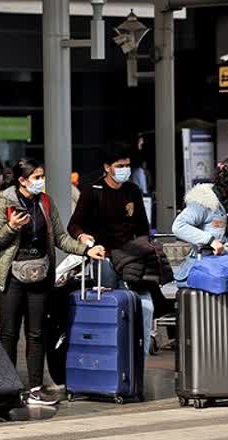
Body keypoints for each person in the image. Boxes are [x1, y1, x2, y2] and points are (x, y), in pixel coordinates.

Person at [0, 160, 105, 405]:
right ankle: (9, 389)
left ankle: (34, 389)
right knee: (9, 333)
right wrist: (11, 227)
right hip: (11, 275)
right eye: (36, 176)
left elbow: (61, 237)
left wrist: (86, 250)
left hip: (40, 273)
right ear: (22, 180)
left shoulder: (45, 202)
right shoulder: (4, 201)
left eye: (42, 176)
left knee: (37, 333)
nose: (41, 181)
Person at [68, 143, 156, 355]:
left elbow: (143, 227)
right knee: (112, 308)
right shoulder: (93, 191)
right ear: (107, 167)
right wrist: (83, 237)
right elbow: (74, 224)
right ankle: (111, 355)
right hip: (104, 260)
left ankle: (137, 359)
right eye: (119, 165)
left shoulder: (132, 191)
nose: (124, 169)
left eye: (127, 165)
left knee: (144, 308)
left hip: (131, 259)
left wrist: (145, 247)